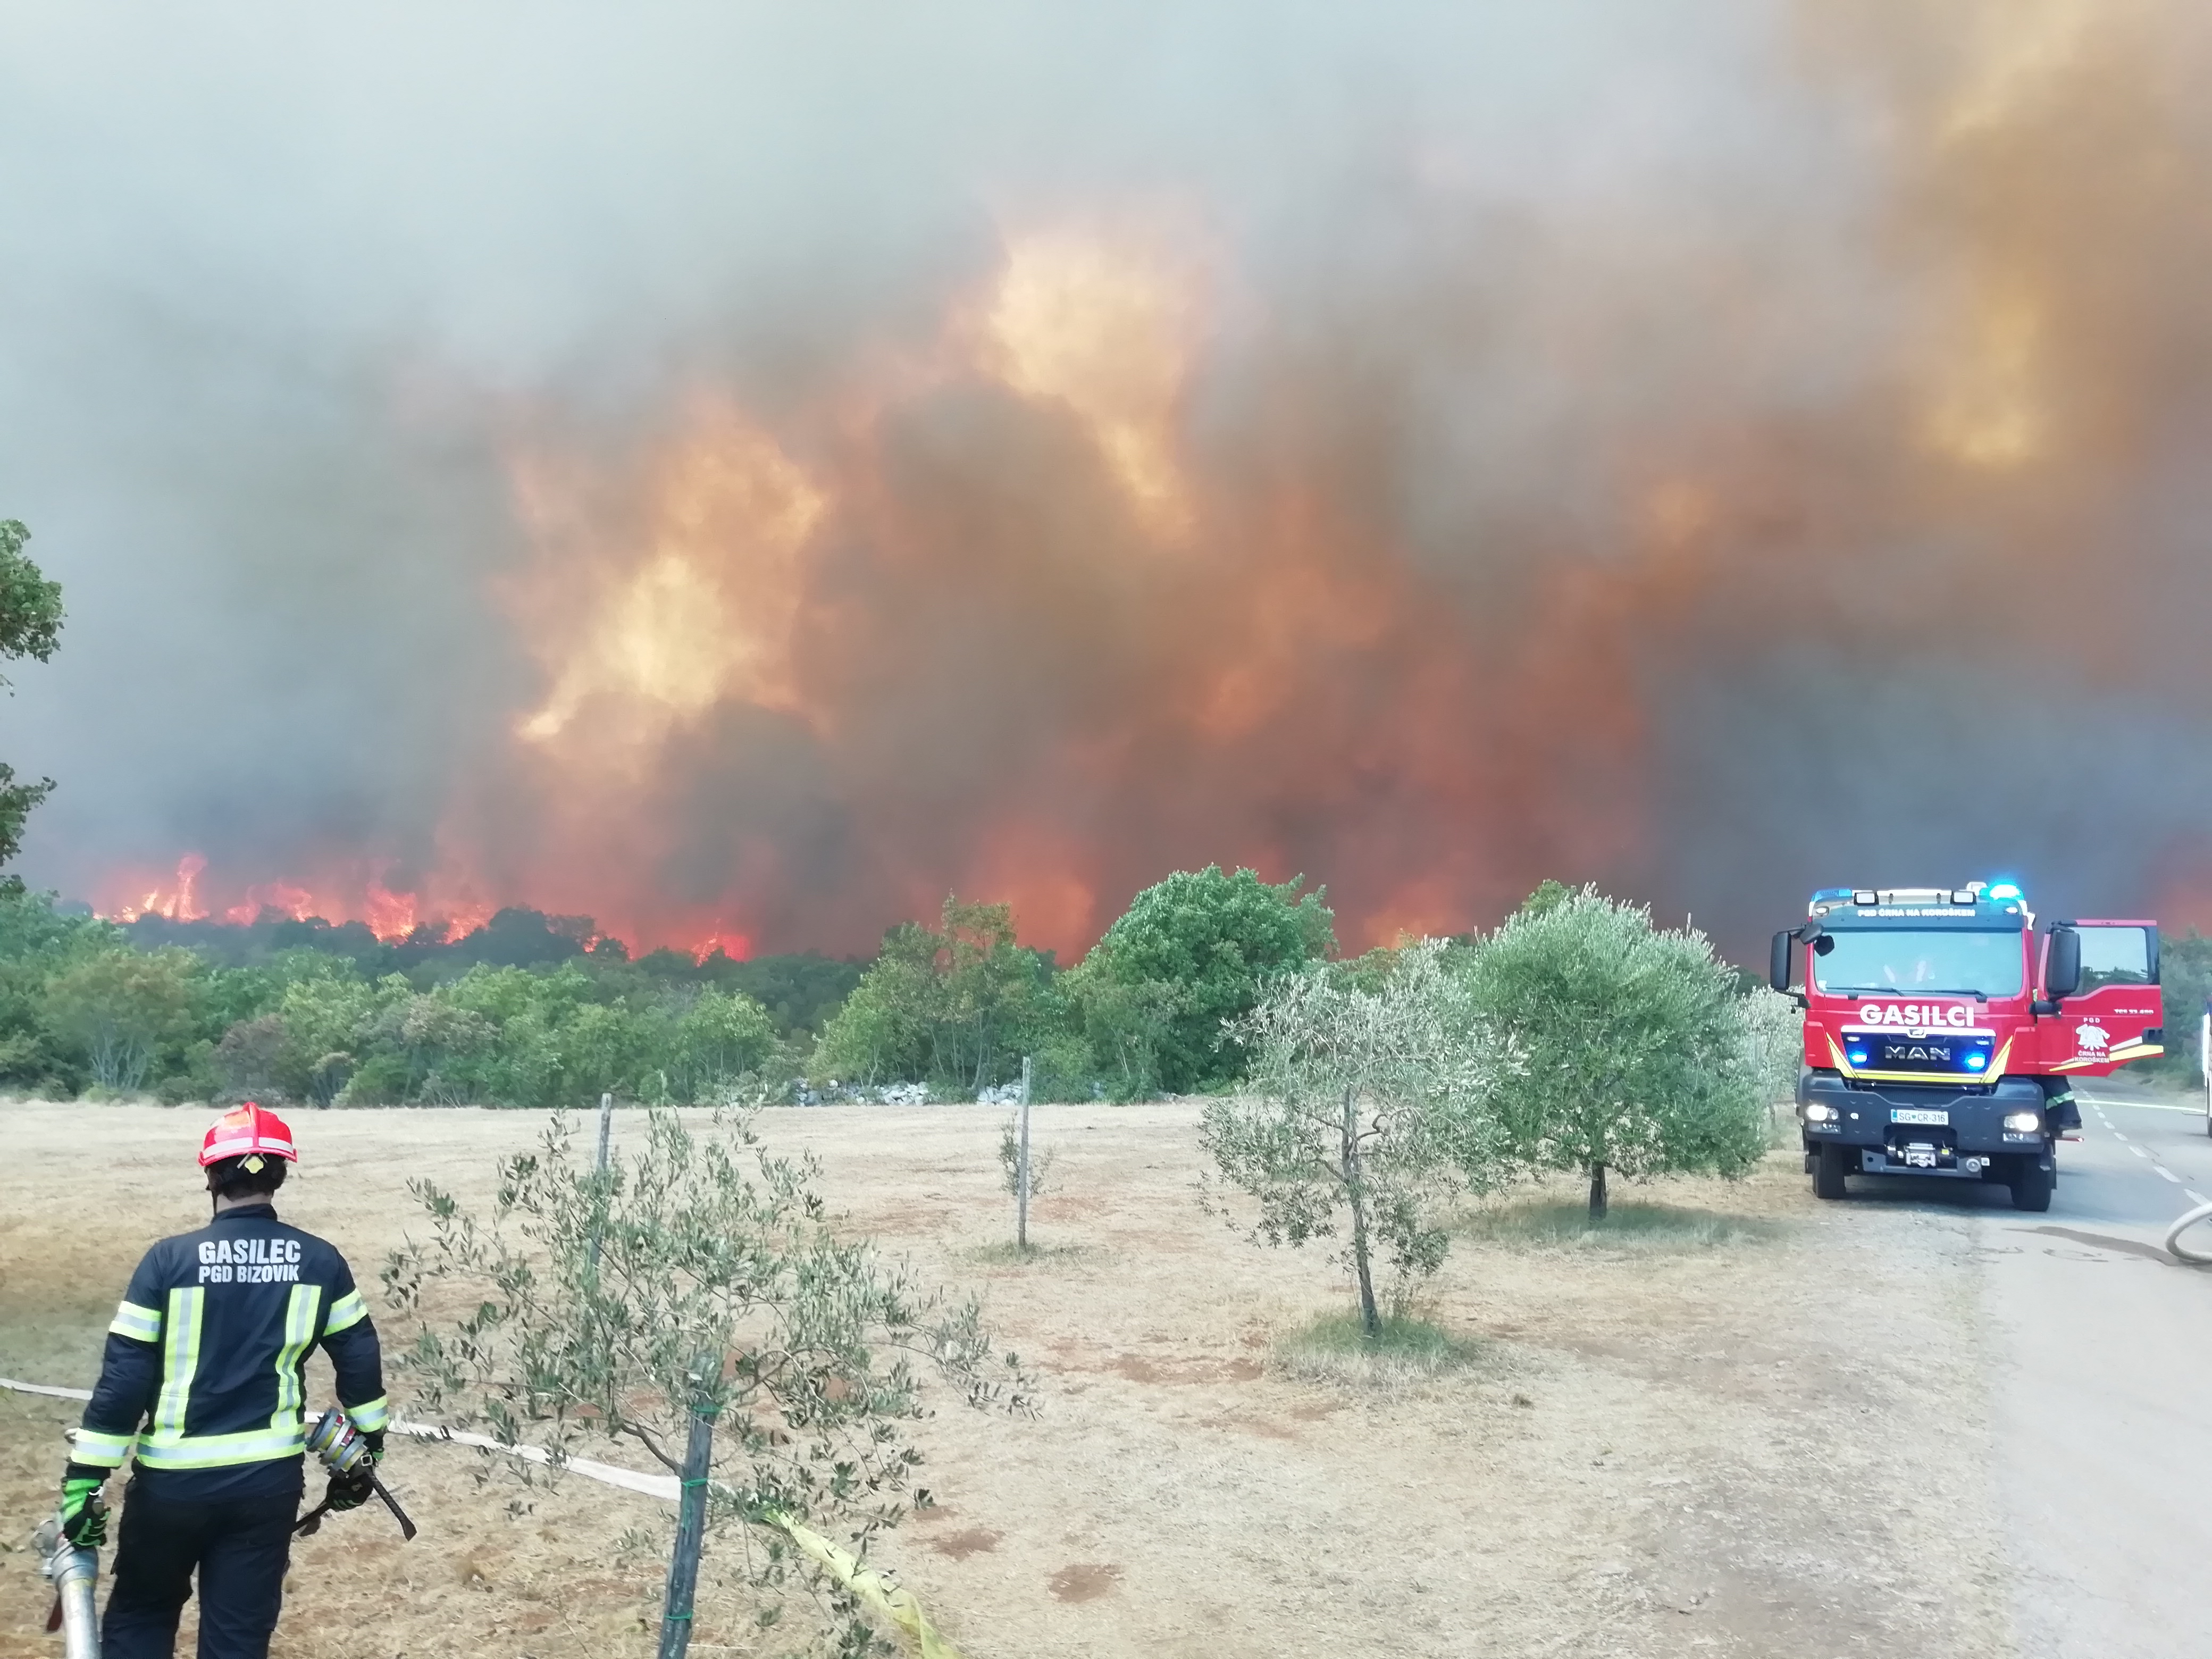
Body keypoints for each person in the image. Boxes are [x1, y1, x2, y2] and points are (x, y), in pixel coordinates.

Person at [53, 1102, 390, 1659]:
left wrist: (83, 1482)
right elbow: (359, 1353)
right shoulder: (320, 1261)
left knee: (141, 1618)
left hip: (171, 1488)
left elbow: (123, 1382)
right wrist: (368, 1447)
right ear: (280, 1175)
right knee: (237, 1641)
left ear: (210, 1174)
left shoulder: (167, 1262)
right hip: (265, 1487)